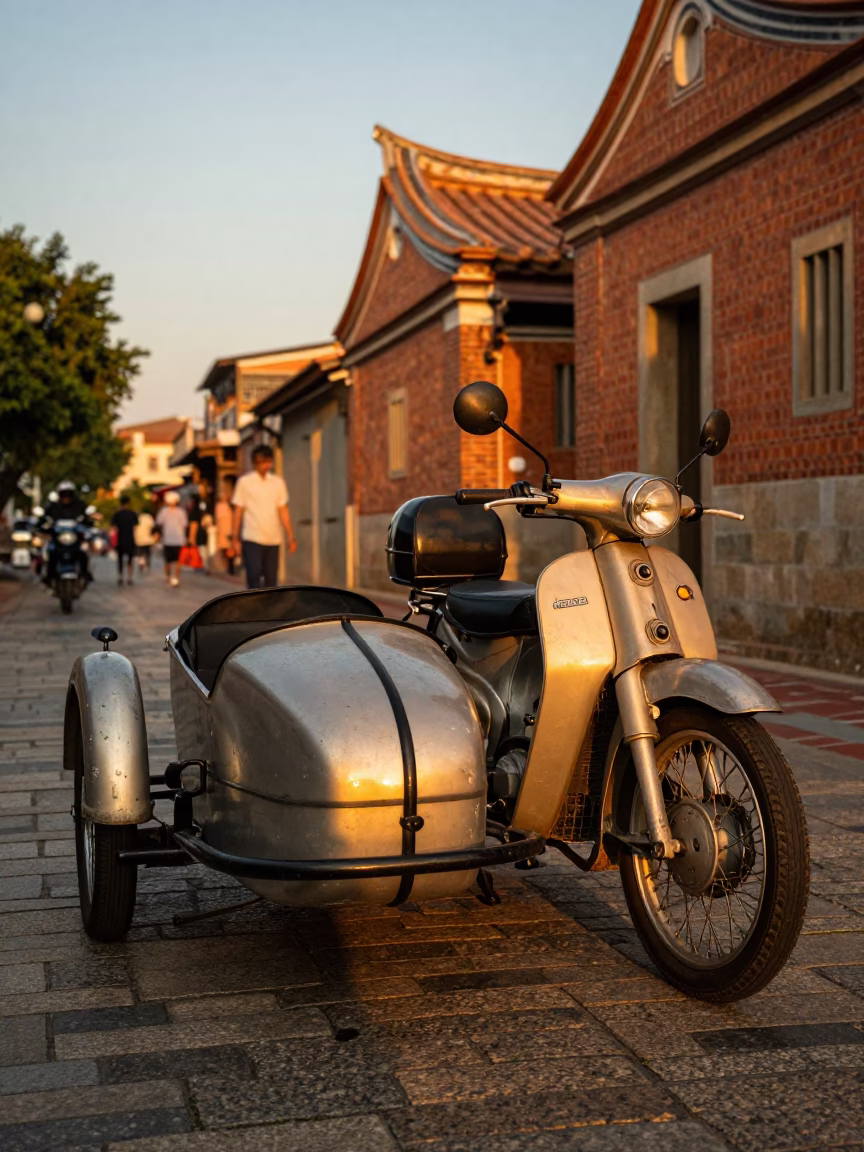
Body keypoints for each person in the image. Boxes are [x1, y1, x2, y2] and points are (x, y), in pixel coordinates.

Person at [229, 445, 295, 589]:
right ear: (255, 462)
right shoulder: (244, 482)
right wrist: (234, 538)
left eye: (268, 462)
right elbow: (238, 511)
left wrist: (290, 535)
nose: (266, 465)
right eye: (262, 462)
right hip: (252, 537)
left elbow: (283, 509)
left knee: (271, 580)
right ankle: (255, 607)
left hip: (273, 538)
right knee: (254, 575)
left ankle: (269, 609)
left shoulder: (278, 483)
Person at [43, 481, 92, 584]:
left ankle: (84, 573)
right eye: (64, 494)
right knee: (51, 551)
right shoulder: (53, 506)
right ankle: (50, 575)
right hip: (59, 537)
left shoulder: (79, 505)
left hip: (74, 537)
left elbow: (87, 518)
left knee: (83, 550)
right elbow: (45, 519)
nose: (66, 497)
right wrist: (45, 525)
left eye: (68, 494)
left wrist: (88, 523)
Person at [155, 491, 188, 587]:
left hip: (168, 540)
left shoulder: (163, 511)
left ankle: (169, 577)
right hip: (178, 539)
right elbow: (185, 525)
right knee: (177, 560)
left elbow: (159, 523)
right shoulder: (181, 512)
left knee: (168, 561)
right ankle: (175, 578)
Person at [111, 496, 139, 586]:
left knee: (120, 560)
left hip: (120, 540)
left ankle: (120, 576)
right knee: (130, 559)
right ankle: (130, 577)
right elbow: (136, 528)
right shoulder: (133, 514)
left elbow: (114, 529)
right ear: (128, 503)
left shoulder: (117, 514)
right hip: (130, 539)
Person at [214, 479, 235, 575]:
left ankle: (231, 567)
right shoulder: (219, 506)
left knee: (230, 550)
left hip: (231, 529)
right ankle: (225, 567)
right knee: (224, 550)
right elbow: (218, 519)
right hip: (222, 530)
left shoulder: (231, 506)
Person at [135, 504, 156, 572]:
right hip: (147, 539)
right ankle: (147, 565)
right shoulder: (149, 518)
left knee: (140, 553)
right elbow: (153, 527)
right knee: (147, 553)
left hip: (138, 538)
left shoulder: (139, 517)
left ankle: (141, 563)